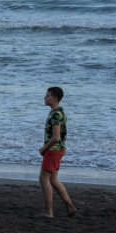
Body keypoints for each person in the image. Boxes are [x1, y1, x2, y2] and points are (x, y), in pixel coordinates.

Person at [38, 86, 78, 218]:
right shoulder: (59, 111)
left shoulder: (56, 114)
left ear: (55, 98)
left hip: (53, 150)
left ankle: (49, 212)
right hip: (58, 150)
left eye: (48, 95)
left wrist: (44, 148)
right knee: (53, 180)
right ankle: (70, 207)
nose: (45, 97)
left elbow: (56, 138)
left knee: (44, 179)